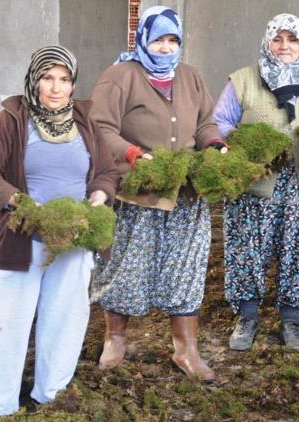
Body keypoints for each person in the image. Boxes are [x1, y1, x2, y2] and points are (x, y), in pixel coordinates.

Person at [0, 45, 119, 419]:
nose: (56, 88)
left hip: (73, 240)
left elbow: (106, 171)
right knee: (5, 322)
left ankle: (50, 392)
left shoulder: (85, 123)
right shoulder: (7, 123)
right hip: (21, 241)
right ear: (34, 81)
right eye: (48, 78)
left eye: (64, 79)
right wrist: (20, 204)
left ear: (73, 83)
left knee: (65, 319)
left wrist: (99, 195)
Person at [89, 5, 225, 383]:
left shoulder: (192, 77)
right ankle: (115, 338)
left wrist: (214, 144)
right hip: (136, 195)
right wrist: (133, 154)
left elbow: (205, 123)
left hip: (184, 195)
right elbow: (99, 127)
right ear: (142, 39)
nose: (165, 48)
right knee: (125, 268)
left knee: (186, 269)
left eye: (172, 40)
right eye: (158, 39)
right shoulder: (120, 76)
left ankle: (186, 348)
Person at [214, 14, 299, 353]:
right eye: (278, 39)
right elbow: (220, 122)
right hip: (257, 183)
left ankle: (292, 321)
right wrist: (246, 144)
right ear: (267, 41)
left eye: (292, 40)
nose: (285, 46)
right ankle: (247, 317)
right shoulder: (243, 80)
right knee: (247, 248)